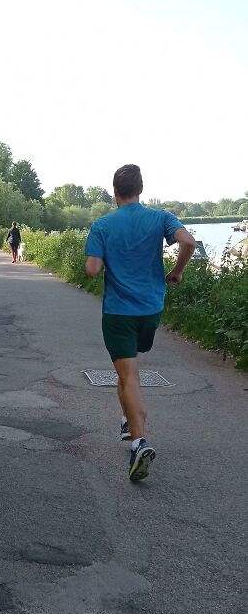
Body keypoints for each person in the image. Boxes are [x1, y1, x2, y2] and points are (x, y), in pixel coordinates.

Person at [84, 164, 196, 481]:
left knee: (128, 374)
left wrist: (101, 261)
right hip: (151, 310)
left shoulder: (103, 225)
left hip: (119, 312)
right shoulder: (160, 218)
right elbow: (188, 242)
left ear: (114, 191)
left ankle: (139, 443)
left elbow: (92, 270)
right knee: (126, 372)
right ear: (140, 189)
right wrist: (177, 272)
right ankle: (127, 421)